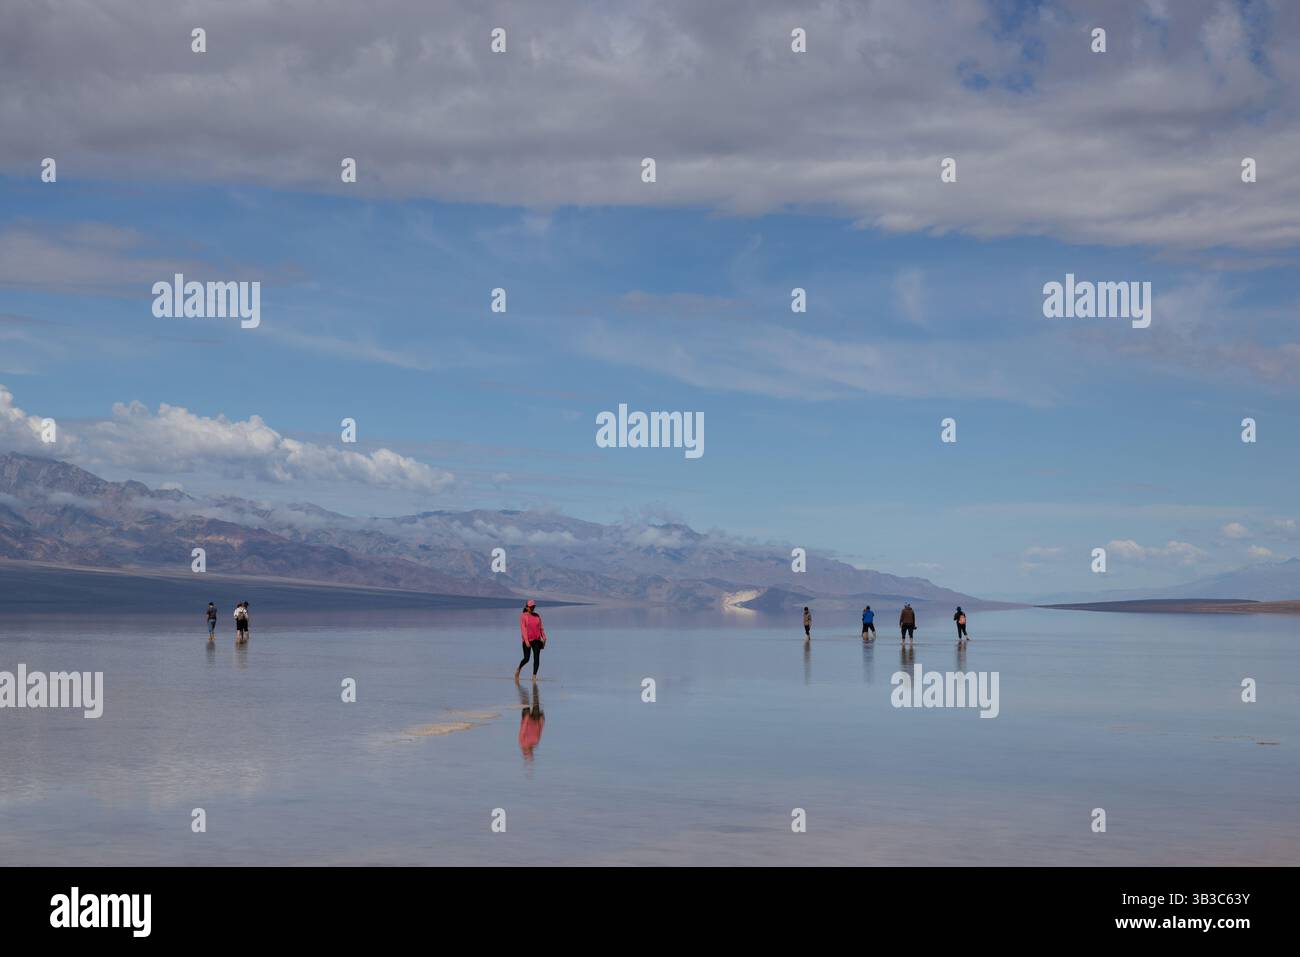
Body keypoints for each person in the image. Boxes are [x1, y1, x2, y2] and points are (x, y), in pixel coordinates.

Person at [515, 599, 546, 681]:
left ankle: (534, 677)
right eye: (531, 607)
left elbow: (541, 628)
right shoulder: (523, 616)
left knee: (536, 659)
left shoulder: (537, 616)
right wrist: (526, 641)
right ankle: (519, 668)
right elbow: (523, 629)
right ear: (527, 607)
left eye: (533, 606)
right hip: (527, 641)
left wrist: (544, 638)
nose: (532, 608)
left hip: (537, 640)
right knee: (526, 659)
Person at [518, 683, 545, 760]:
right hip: (535, 719)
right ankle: (533, 685)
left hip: (527, 720)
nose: (530, 752)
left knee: (526, 701)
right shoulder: (535, 743)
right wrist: (542, 721)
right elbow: (540, 731)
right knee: (536, 700)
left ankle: (522, 687)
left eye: (529, 754)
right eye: (530, 754)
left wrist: (526, 719)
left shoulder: (522, 742)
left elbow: (522, 730)